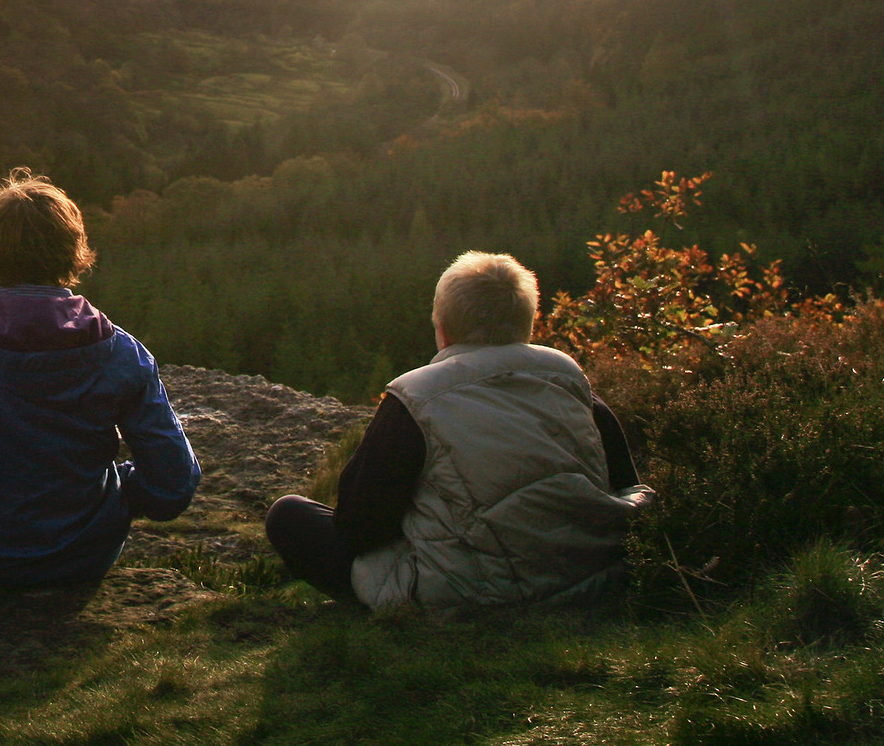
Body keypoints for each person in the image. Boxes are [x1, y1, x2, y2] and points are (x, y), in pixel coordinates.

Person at [266, 251, 653, 609]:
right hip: (587, 579)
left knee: (288, 515)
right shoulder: (571, 380)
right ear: (528, 325)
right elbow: (623, 483)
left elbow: (358, 529)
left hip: (468, 593)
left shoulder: (415, 397)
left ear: (443, 330)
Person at [0, 168, 200, 585]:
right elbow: (174, 483)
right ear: (73, 250)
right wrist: (120, 495)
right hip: (88, 557)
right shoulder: (123, 353)